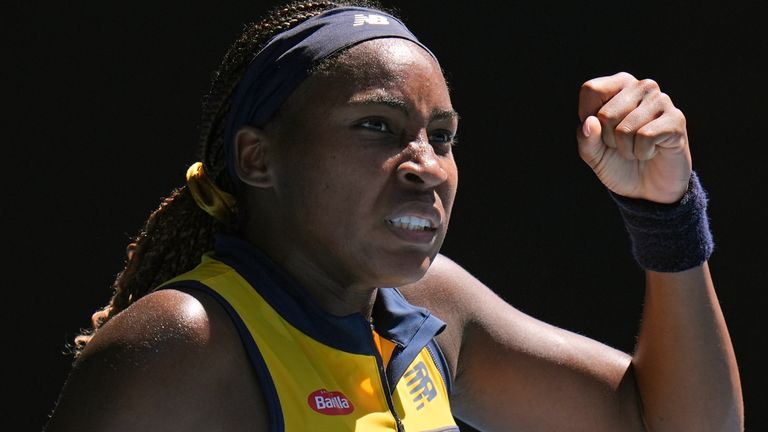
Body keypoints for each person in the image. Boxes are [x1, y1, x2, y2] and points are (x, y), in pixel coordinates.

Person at [43, 1, 743, 431]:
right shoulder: (184, 344)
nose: (427, 166)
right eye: (375, 126)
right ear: (259, 159)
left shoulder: (428, 307)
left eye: (441, 136)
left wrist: (665, 215)